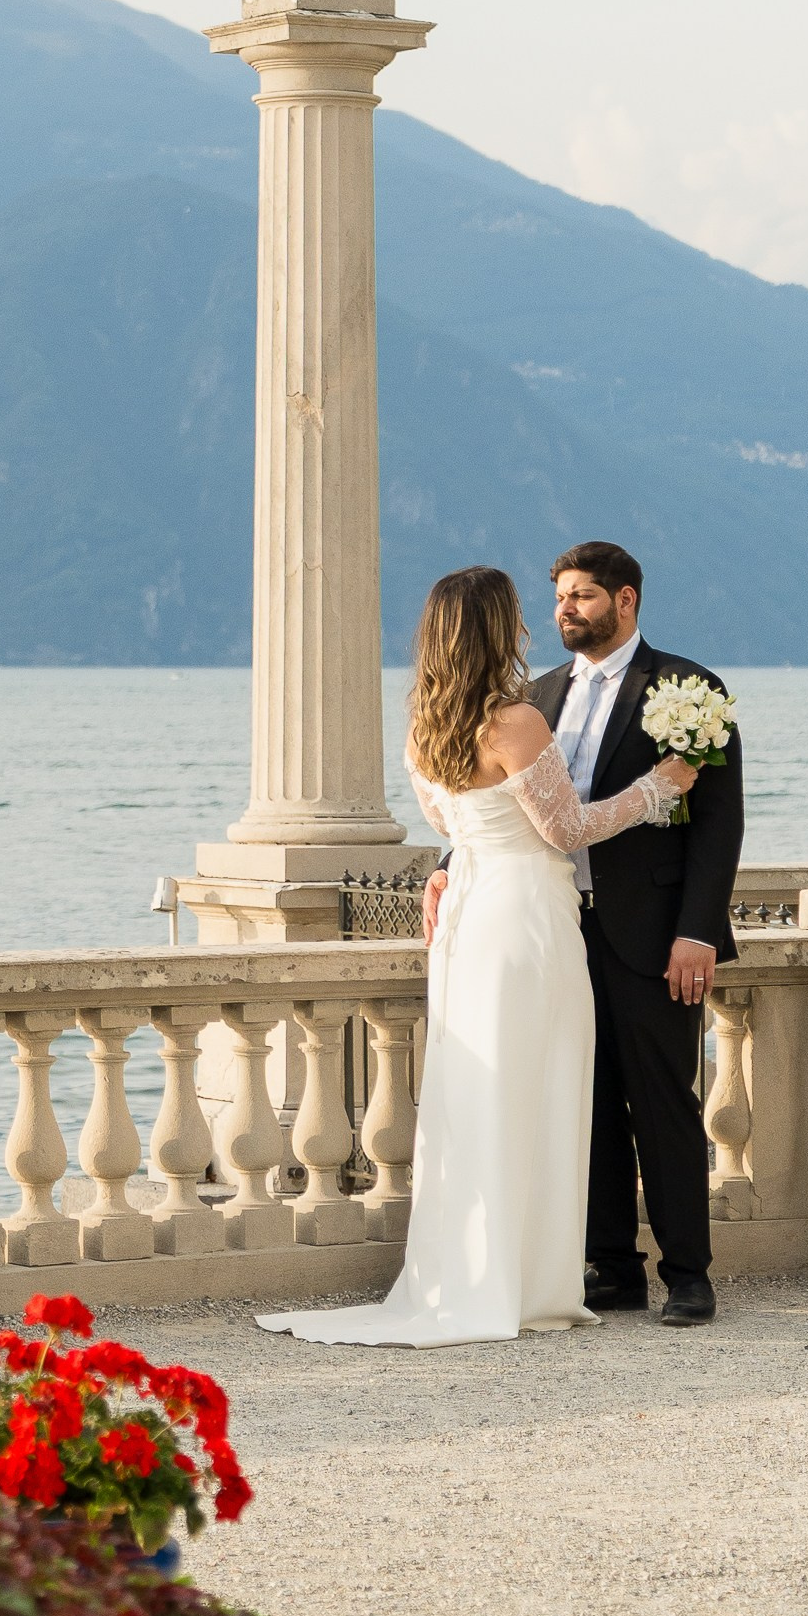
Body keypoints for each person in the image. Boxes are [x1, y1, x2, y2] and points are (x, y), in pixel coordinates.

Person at [257, 566, 692, 1350]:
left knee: (481, 1096)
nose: (532, 625)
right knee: (542, 1089)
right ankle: (526, 1282)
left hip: (470, 917)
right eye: (517, 616)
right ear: (498, 630)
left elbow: (461, 829)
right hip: (527, 917)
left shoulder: (425, 729)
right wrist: (658, 789)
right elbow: (565, 830)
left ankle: (481, 1273)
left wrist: (448, 870)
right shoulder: (516, 721)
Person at [508, 541, 743, 1327]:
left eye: (581, 596)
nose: (564, 611)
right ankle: (611, 1267)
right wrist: (446, 866)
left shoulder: (687, 688)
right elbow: (511, 803)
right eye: (560, 598)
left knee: (663, 1103)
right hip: (557, 930)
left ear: (626, 599)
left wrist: (698, 934)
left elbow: (717, 825)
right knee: (589, 1103)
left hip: (653, 936)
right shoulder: (536, 695)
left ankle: (689, 1275)